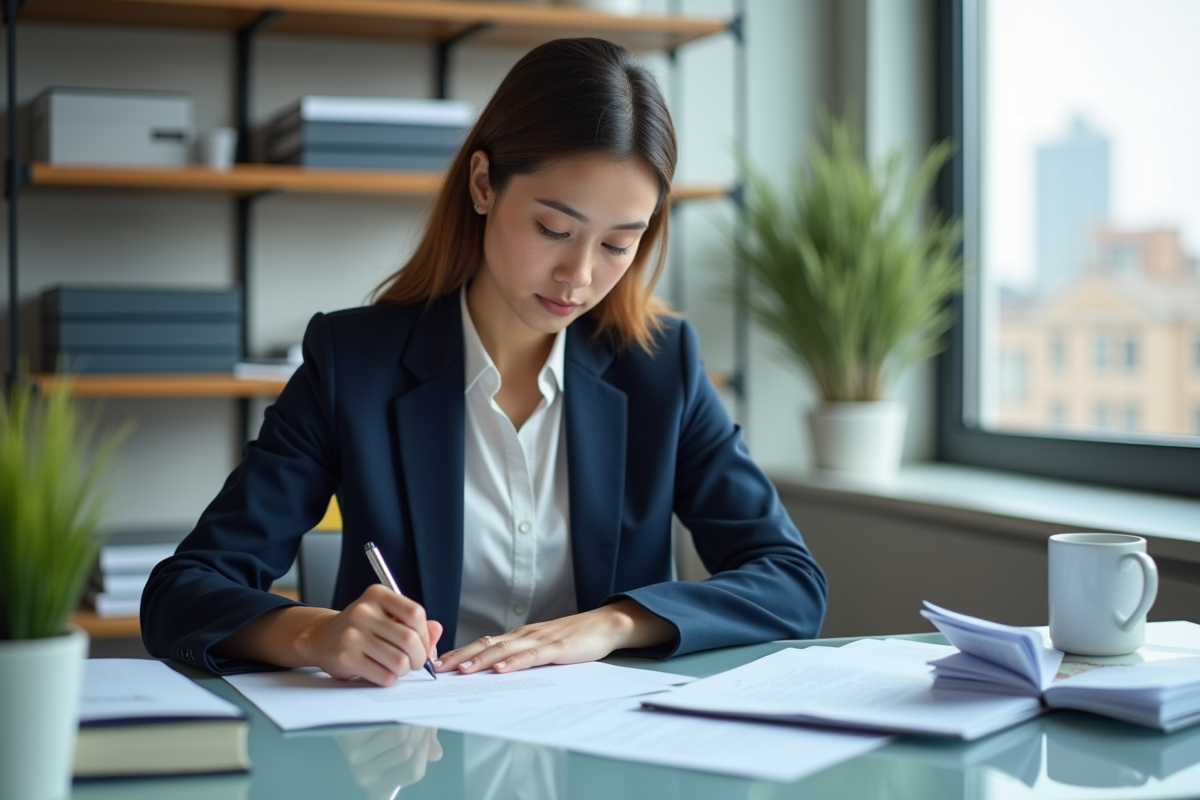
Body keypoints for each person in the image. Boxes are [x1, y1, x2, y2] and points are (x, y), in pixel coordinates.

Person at [142, 37, 827, 684]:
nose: (578, 275)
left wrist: (615, 623)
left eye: (618, 245)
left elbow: (789, 580)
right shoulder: (354, 363)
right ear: (482, 184)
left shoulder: (660, 366)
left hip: (604, 751)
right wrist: (314, 634)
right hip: (412, 751)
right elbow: (184, 592)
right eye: (553, 229)